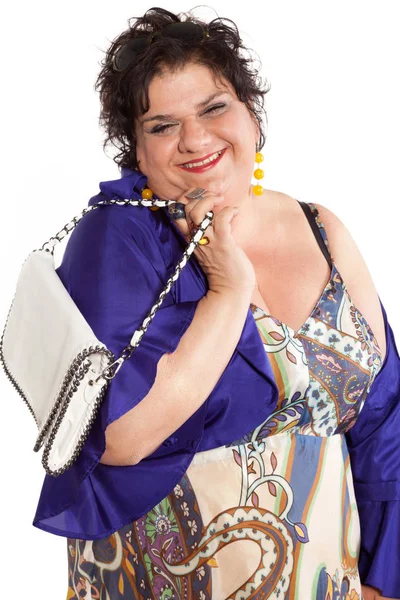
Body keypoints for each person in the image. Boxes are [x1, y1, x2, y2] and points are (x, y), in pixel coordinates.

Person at [31, 7, 400, 600]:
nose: (195, 140)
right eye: (161, 125)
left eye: (214, 107)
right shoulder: (118, 239)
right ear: (137, 152)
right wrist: (227, 290)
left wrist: (385, 581)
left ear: (252, 117)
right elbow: (120, 434)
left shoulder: (321, 228)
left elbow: (384, 421)